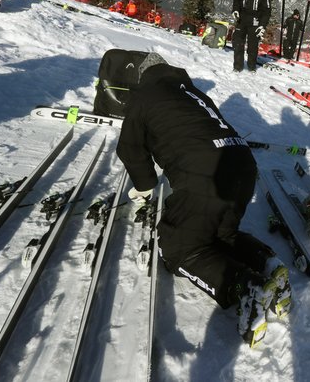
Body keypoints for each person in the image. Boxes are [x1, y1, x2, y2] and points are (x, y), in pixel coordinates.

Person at [116, 59, 289, 347]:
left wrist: (143, 188)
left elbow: (129, 148)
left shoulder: (144, 95)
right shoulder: (193, 93)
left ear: (143, 75)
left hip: (204, 173)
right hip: (243, 165)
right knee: (221, 234)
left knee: (180, 248)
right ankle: (268, 262)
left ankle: (246, 287)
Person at [232, 0, 271, 72]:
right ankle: (237, 67)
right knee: (238, 44)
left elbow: (267, 11)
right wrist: (235, 10)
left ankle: (251, 67)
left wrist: (262, 25)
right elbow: (236, 1)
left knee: (253, 46)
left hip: (255, 22)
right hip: (242, 20)